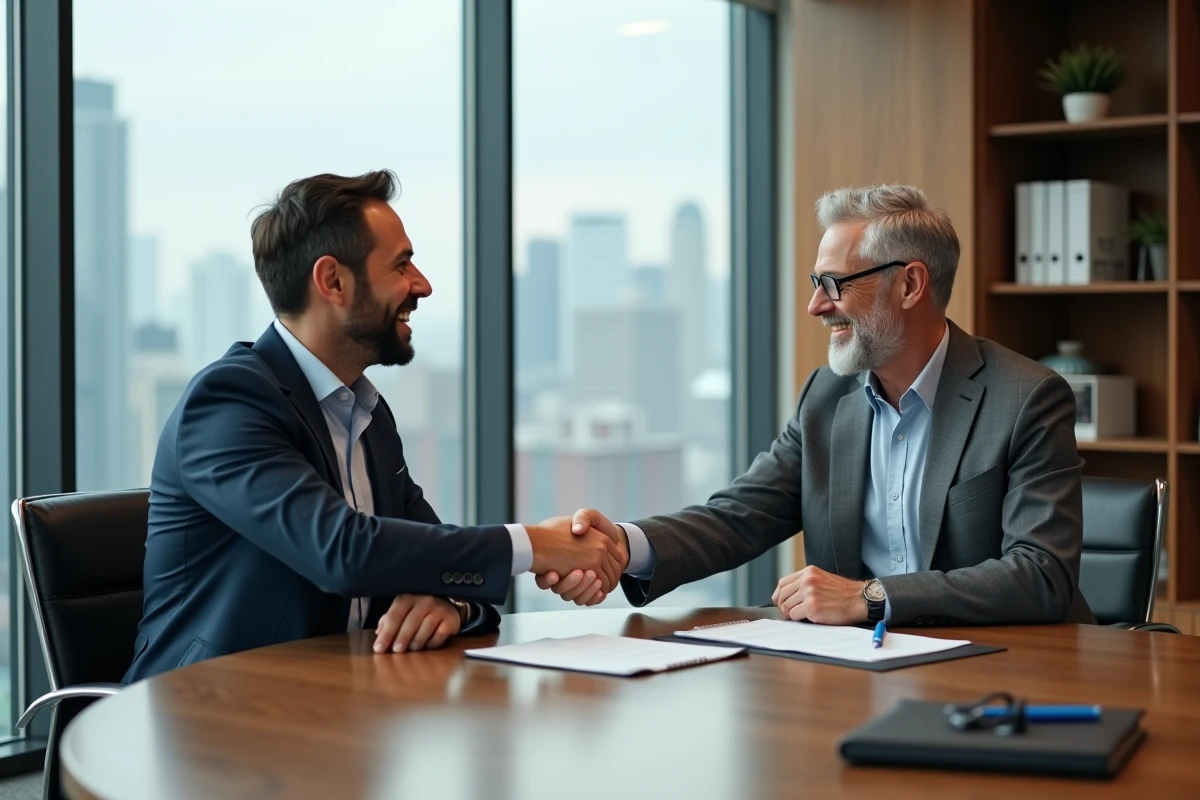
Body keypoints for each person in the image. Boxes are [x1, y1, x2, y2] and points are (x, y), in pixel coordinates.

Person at [125, 171, 621, 682]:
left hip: (337, 714)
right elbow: (344, 551)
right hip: (202, 720)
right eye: (401, 264)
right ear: (333, 281)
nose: (422, 284)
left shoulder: (365, 412)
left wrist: (451, 605)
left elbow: (436, 555)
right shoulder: (229, 403)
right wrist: (536, 545)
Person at [538, 184, 1094, 627]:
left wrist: (870, 597)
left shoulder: (1025, 399)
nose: (814, 305)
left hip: (1005, 675)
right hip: (859, 676)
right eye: (814, 283)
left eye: (833, 283)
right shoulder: (825, 399)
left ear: (909, 285)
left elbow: (1040, 575)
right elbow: (738, 518)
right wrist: (623, 545)